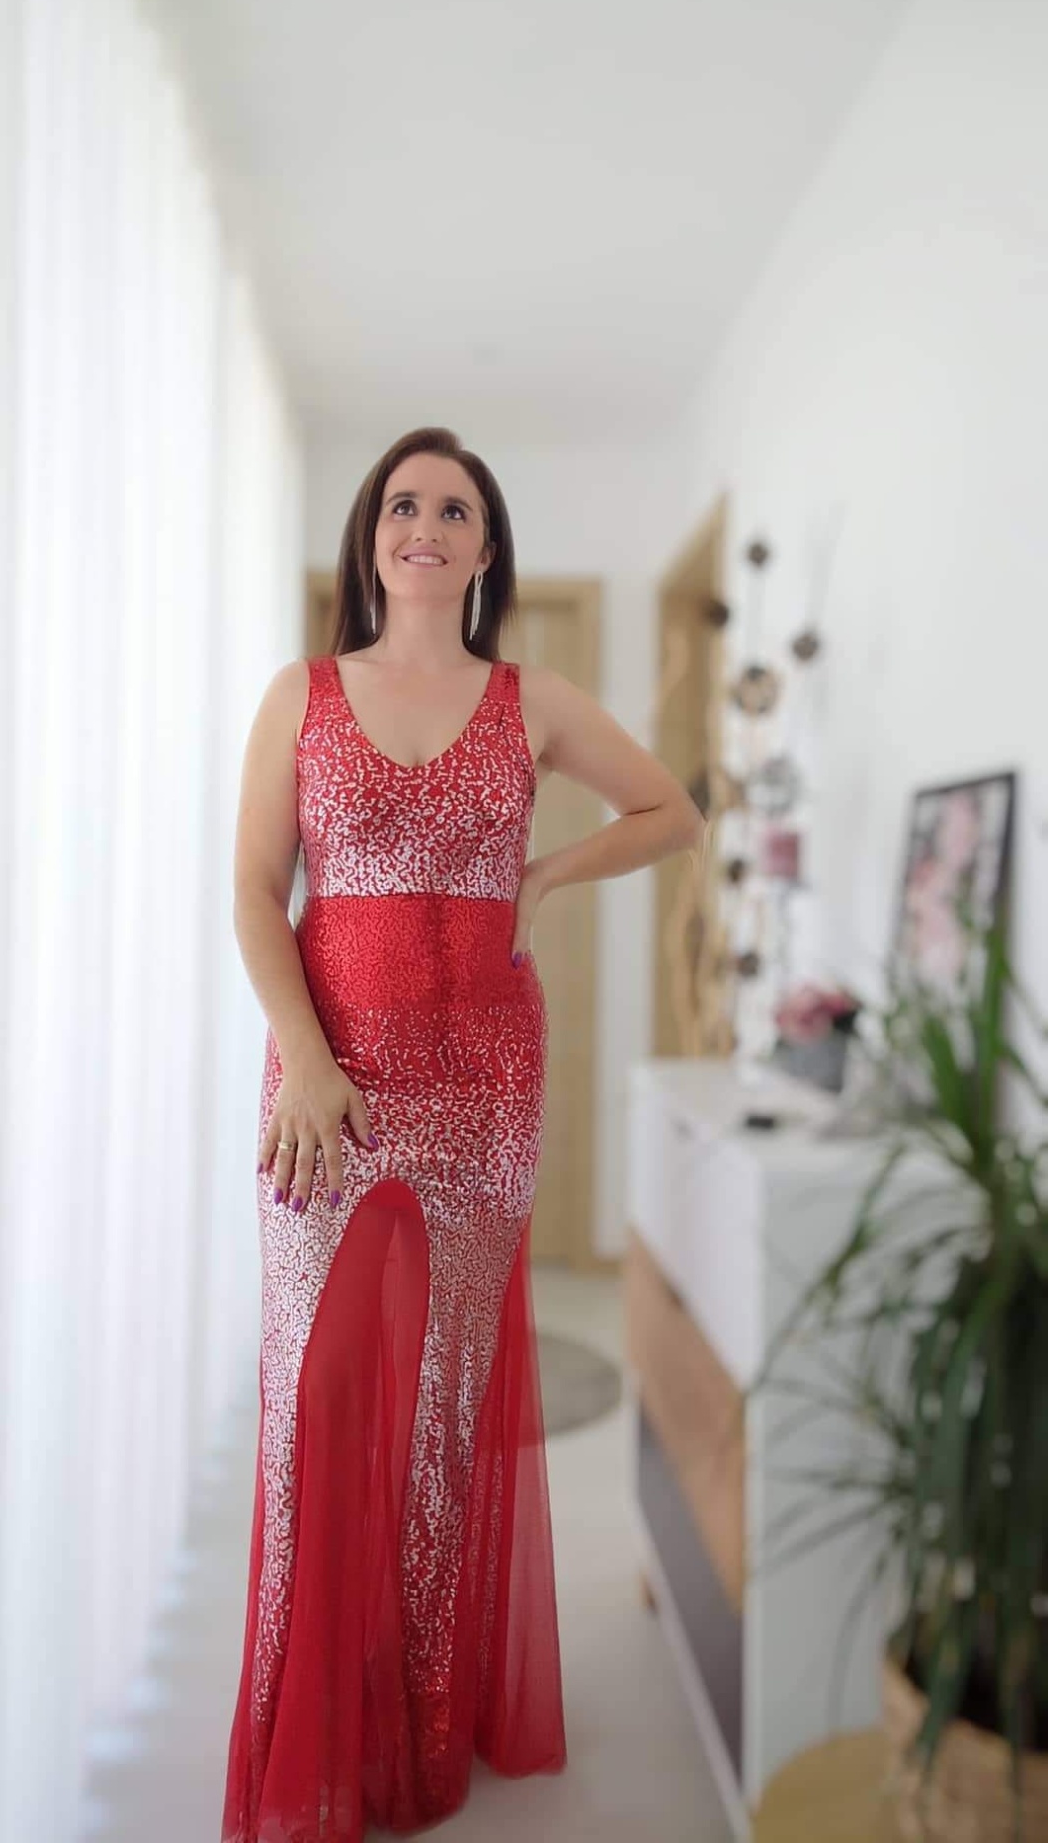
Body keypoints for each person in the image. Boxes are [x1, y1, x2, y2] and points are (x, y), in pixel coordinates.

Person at [220, 425, 703, 1842]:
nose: (423, 526)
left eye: (453, 509)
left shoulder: (530, 698)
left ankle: (417, 1736)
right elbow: (254, 892)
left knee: (440, 1409)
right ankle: (311, 1733)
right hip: (330, 1083)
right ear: (371, 538)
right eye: (402, 505)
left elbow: (670, 810)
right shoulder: (302, 695)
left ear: (487, 548)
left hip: (485, 1078)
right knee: (318, 1397)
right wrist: (308, 1066)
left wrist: (543, 874)